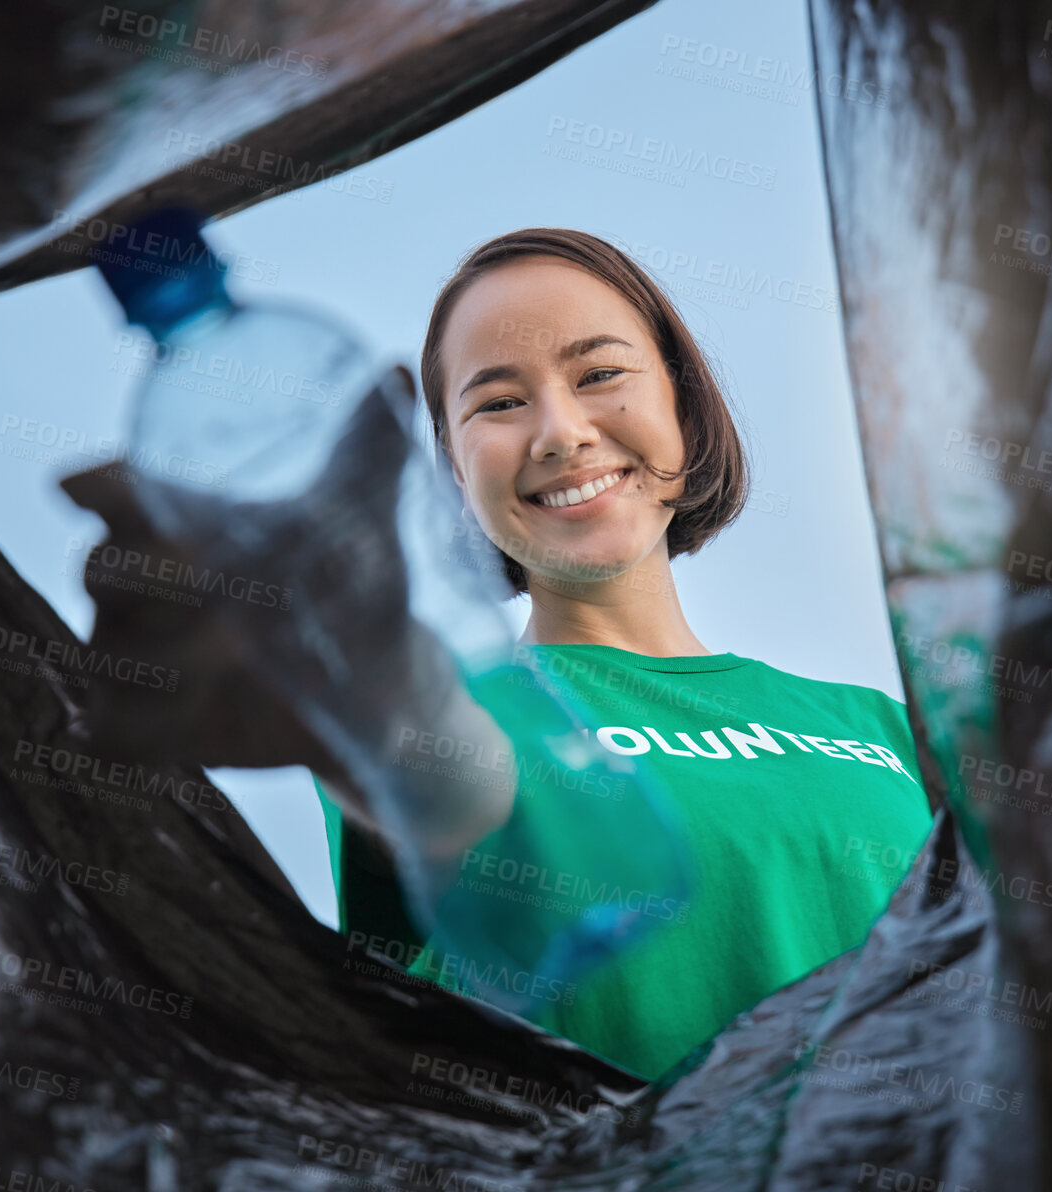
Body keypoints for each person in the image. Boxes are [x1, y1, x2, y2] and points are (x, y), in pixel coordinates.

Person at [315, 227, 933, 1080]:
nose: (561, 432)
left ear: (680, 401)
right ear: (456, 473)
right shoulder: (441, 712)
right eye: (498, 402)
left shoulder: (893, 729)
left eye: (599, 375)